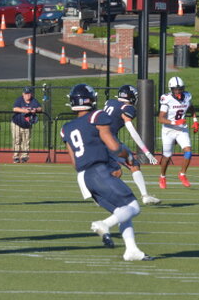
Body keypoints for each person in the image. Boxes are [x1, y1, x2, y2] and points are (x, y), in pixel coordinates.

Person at [62, 83, 152, 261]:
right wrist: (127, 156)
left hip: (84, 178)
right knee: (133, 207)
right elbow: (114, 147)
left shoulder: (67, 127)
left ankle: (131, 250)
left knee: (122, 210)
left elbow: (74, 162)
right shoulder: (97, 116)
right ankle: (104, 224)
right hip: (98, 171)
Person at [102, 85, 161, 205]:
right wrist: (146, 152)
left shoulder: (110, 102)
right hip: (110, 141)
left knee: (116, 172)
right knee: (134, 164)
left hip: (96, 139)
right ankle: (145, 196)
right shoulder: (127, 108)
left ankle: (101, 196)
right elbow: (132, 131)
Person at [158, 76, 199, 188]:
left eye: (180, 89)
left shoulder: (187, 96)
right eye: (175, 89)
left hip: (181, 129)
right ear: (171, 89)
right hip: (168, 130)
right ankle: (162, 176)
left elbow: (191, 108)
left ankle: (182, 174)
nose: (178, 91)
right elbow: (160, 119)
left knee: (188, 152)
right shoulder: (166, 99)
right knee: (167, 156)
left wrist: (195, 120)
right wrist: (174, 122)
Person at [11, 87, 42, 163]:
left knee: (26, 141)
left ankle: (25, 156)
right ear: (23, 94)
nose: (28, 95)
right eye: (26, 93)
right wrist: (24, 110)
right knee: (17, 140)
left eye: (29, 93)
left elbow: (40, 108)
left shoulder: (33, 100)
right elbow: (15, 109)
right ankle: (16, 156)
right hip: (17, 123)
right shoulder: (19, 100)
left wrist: (36, 110)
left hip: (27, 124)